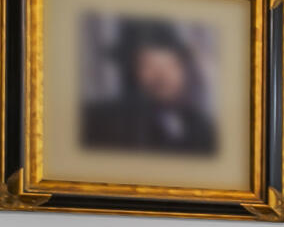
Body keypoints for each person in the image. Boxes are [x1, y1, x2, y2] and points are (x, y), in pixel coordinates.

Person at [82, 17, 218, 156]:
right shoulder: (102, 123)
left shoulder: (201, 127)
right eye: (149, 66)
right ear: (131, 71)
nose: (162, 76)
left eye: (171, 65)